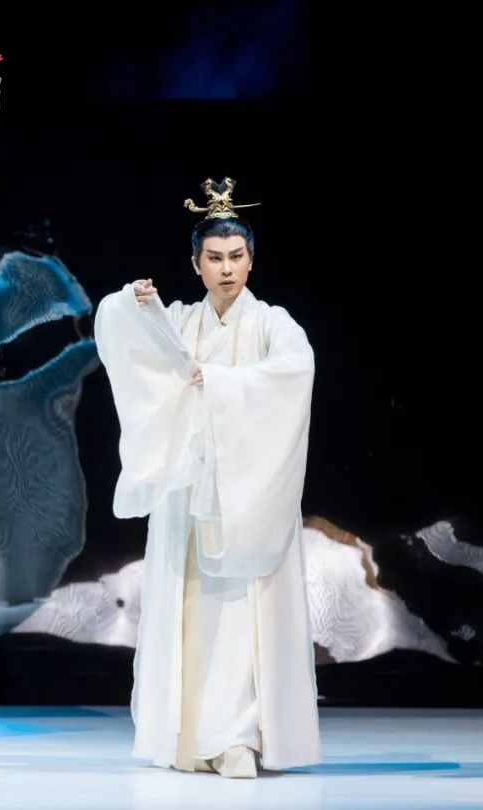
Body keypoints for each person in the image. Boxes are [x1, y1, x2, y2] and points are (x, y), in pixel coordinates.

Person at [93, 178, 320, 777]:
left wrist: (217, 383)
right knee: (193, 611)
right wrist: (134, 305)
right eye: (214, 258)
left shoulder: (273, 324)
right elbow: (132, 347)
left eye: (236, 257)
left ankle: (239, 735)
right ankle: (193, 736)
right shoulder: (181, 322)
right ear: (196, 264)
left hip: (250, 496)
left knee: (244, 613)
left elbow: (294, 373)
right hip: (190, 494)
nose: (226, 269)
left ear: (251, 259)